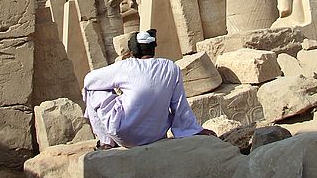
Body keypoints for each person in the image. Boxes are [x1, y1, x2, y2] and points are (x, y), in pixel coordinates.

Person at [82, 29, 216, 148]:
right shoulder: (171, 67)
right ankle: (186, 129)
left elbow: (89, 80)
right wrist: (194, 129)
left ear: (133, 51)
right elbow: (179, 104)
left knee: (92, 89)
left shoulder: (126, 66)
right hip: (156, 134)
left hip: (125, 135)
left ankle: (106, 141)